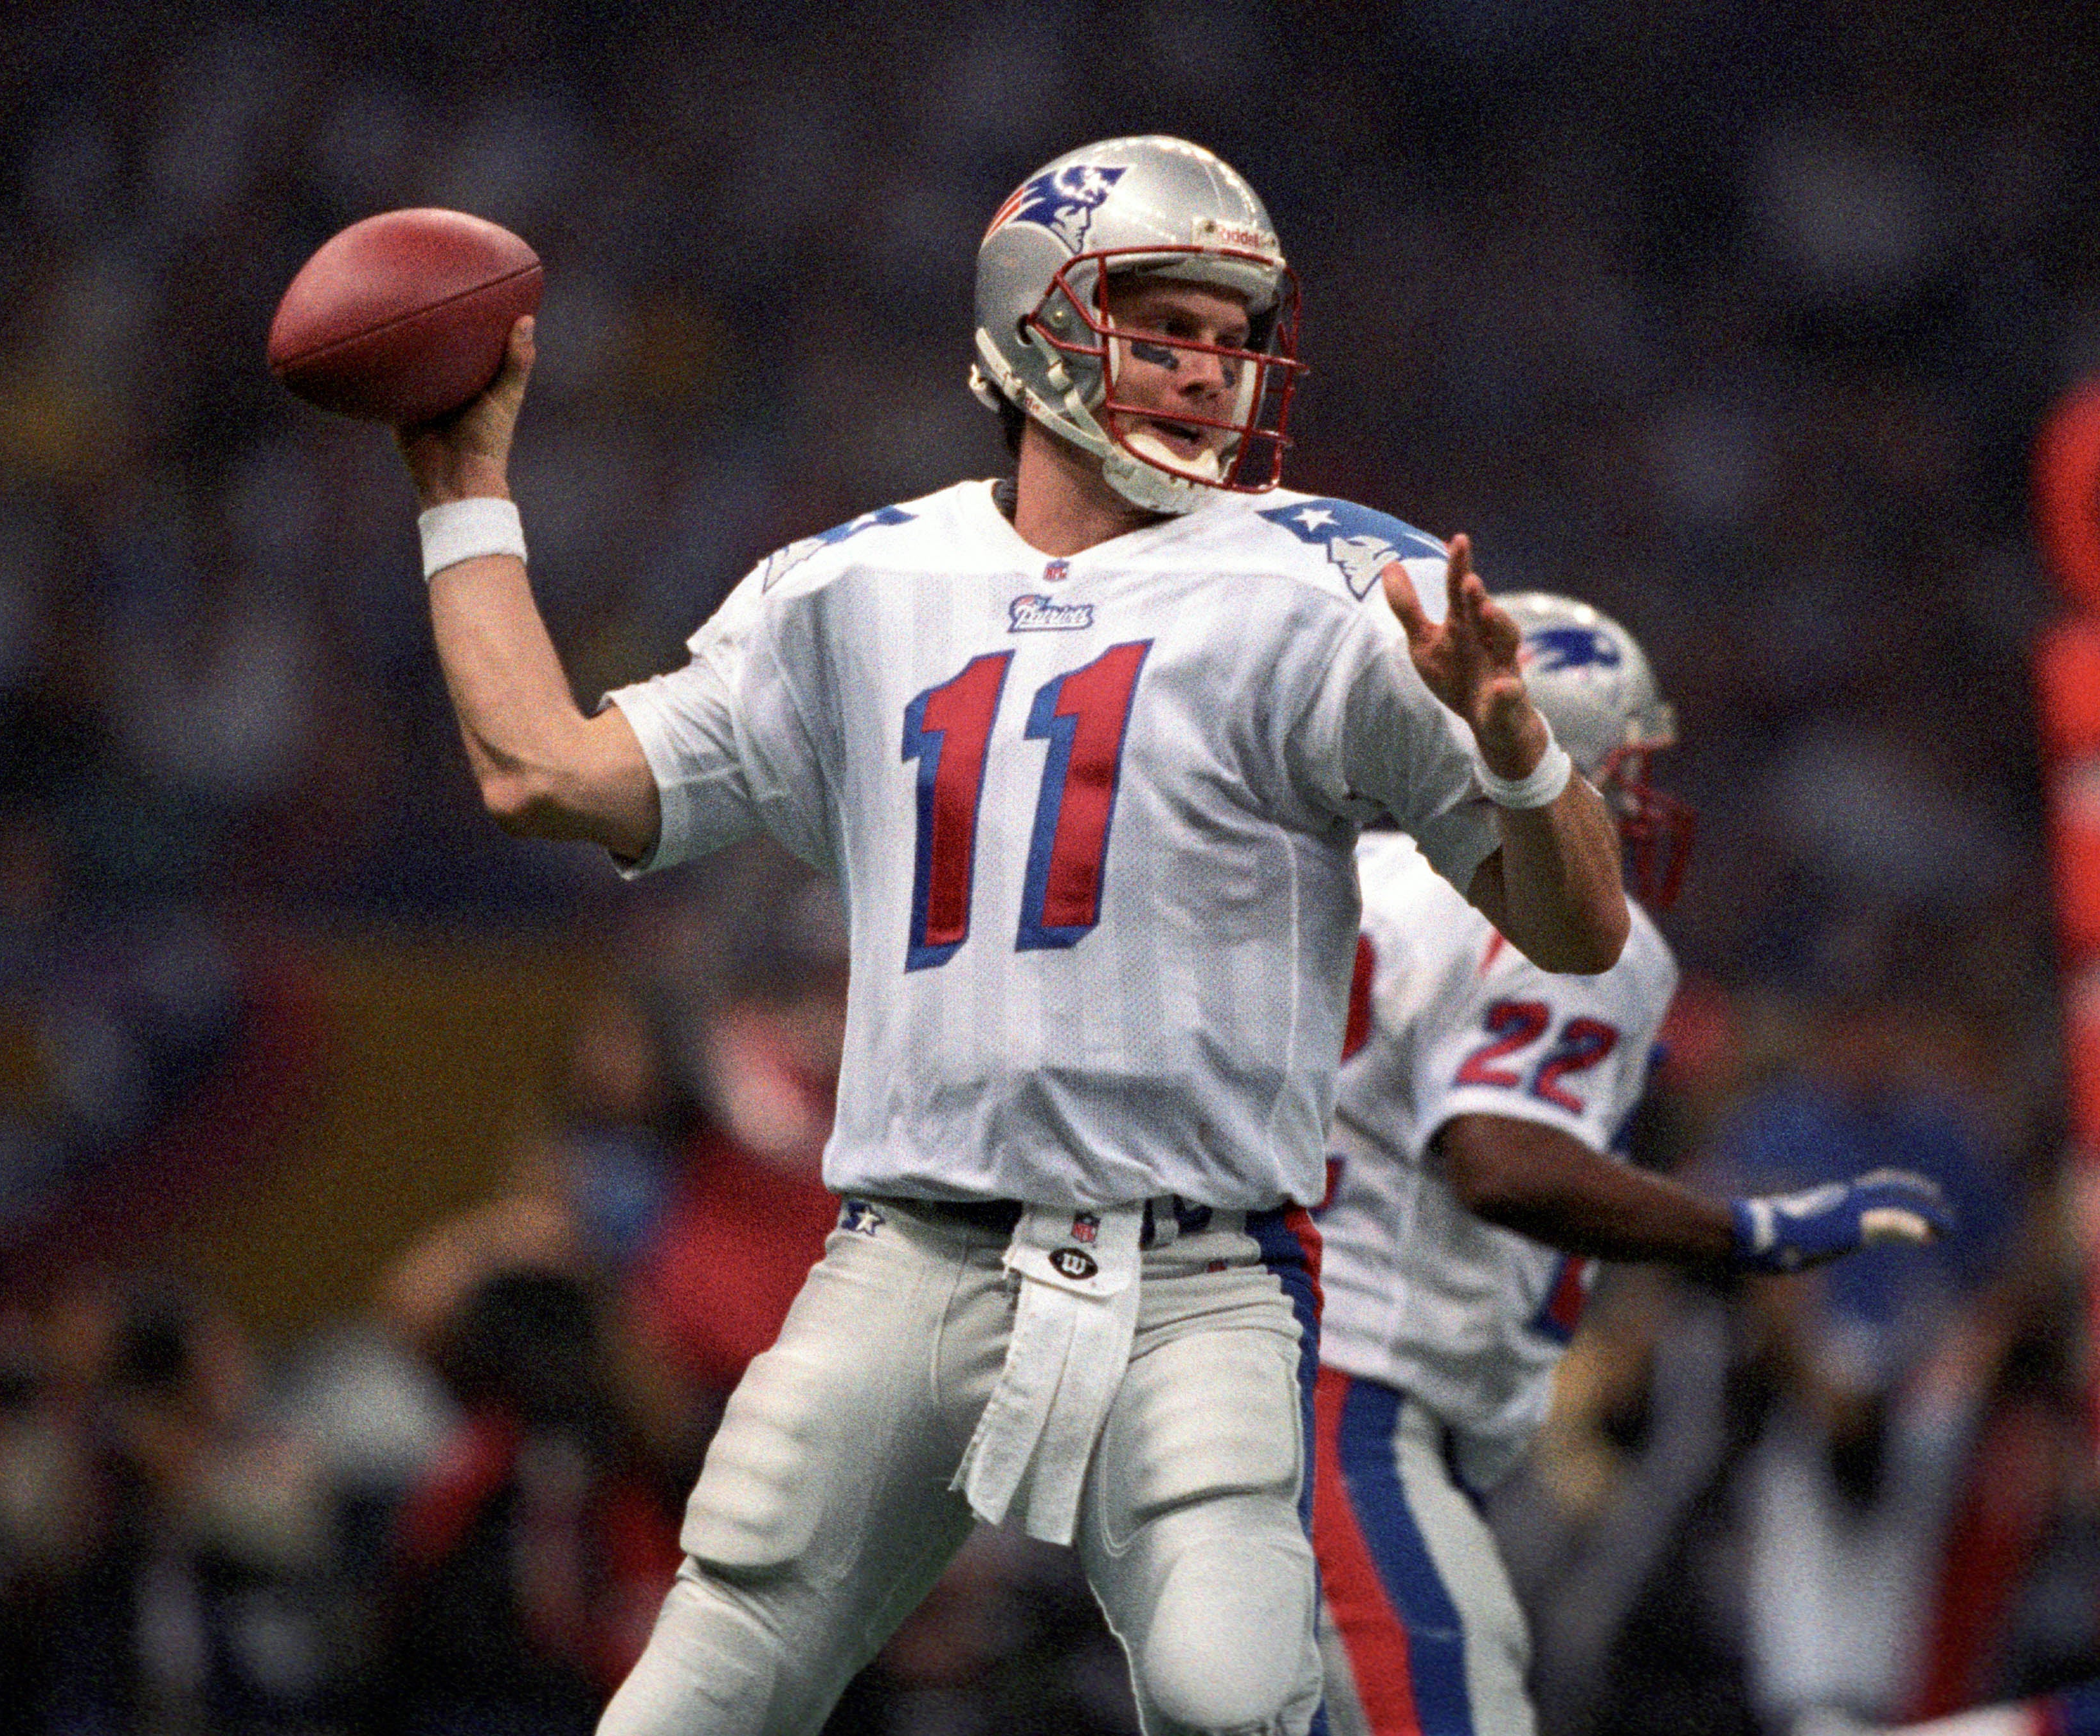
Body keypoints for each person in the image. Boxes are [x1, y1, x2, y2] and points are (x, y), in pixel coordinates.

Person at [396, 134, 1631, 1736]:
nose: (1209, 369)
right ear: (1037, 325)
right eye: (1163, 320)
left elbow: (1581, 925)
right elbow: (541, 772)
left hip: (1198, 1267)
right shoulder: (858, 585)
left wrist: (1521, 756)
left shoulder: (1331, 583)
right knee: (695, 1697)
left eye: (1232, 331)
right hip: (910, 1255)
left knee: (1227, 1688)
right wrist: (459, 487)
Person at [1307, 592, 1954, 1736]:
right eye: (1623, 763)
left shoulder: (1334, 879)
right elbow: (1503, 1165)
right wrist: (1761, 1234)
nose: (1638, 798)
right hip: (1365, 1389)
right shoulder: (1555, 921)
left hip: (1248, 1359)